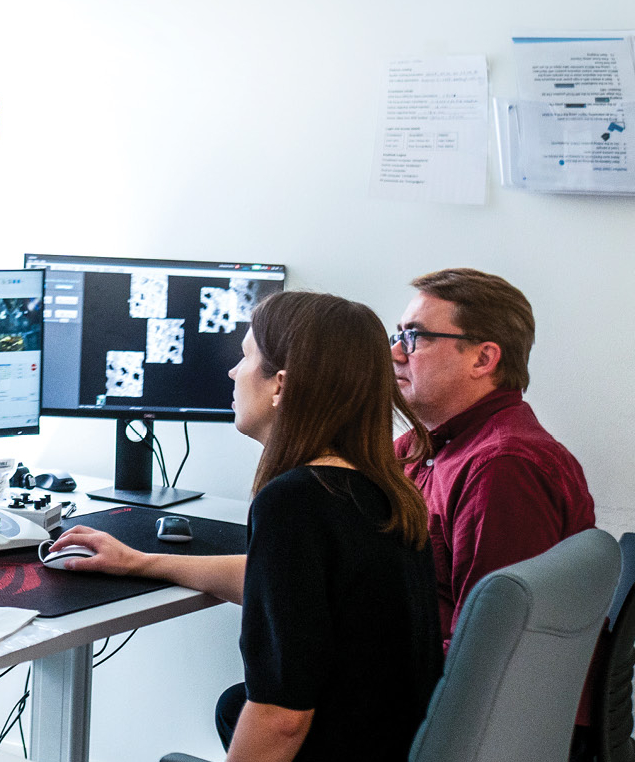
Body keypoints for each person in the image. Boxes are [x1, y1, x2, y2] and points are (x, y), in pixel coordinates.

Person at [52, 291, 442, 762]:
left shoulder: (296, 501)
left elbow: (282, 718)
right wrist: (142, 562)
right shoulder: (381, 491)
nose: (233, 374)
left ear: (281, 385)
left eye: (244, 357)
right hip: (389, 746)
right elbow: (288, 585)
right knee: (232, 706)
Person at [389, 268, 596, 650]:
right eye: (399, 334)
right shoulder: (424, 446)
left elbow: (488, 650)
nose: (396, 352)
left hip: (451, 700)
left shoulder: (503, 468)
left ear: (483, 359)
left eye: (414, 337)